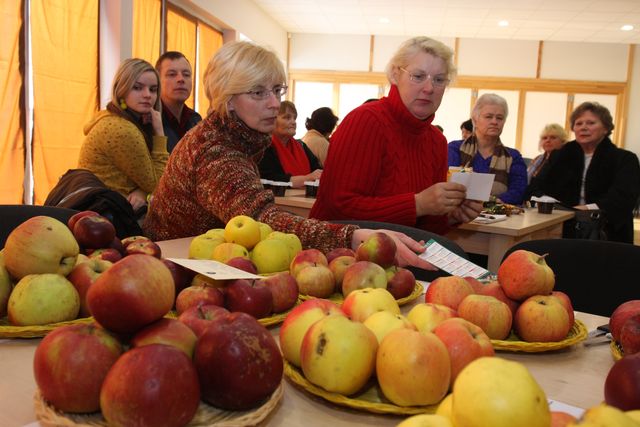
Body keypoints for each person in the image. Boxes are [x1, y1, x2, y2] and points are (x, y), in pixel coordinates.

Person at [143, 41, 433, 270]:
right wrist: (353, 237)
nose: (274, 104)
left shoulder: (234, 136)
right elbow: (261, 221)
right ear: (228, 99)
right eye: (258, 93)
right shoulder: (214, 150)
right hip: (174, 269)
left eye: (277, 90)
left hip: (206, 260)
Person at [309, 36, 482, 235]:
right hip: (339, 252)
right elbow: (338, 207)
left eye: (439, 79)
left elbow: (425, 232)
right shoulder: (365, 121)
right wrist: (417, 204)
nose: (429, 88)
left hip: (400, 256)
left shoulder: (437, 141)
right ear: (394, 75)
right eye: (418, 76)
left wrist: (450, 216)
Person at [527, 102, 640, 243]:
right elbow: (536, 187)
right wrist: (552, 204)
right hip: (561, 225)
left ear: (606, 128)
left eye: (591, 123)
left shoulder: (625, 159)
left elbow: (623, 197)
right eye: (578, 123)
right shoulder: (560, 155)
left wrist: (583, 209)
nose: (583, 128)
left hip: (607, 230)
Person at [78, 58, 168, 214]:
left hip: (103, 212)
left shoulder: (112, 118)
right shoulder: (121, 129)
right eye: (137, 88)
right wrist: (159, 133)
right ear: (121, 90)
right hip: (108, 218)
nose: (147, 95)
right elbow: (159, 185)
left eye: (153, 89)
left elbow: (148, 182)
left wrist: (142, 191)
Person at [448, 93, 527, 205]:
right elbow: (448, 184)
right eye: (488, 116)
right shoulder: (455, 148)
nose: (494, 122)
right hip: (458, 214)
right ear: (475, 120)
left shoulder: (513, 156)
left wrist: (491, 202)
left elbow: (518, 191)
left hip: (499, 217)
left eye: (499, 118)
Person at [258, 101, 322, 187]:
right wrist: (307, 178)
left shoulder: (302, 146)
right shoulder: (263, 147)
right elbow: (269, 180)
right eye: (287, 118)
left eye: (294, 118)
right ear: (272, 121)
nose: (293, 122)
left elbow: (317, 170)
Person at [155, 51, 202, 152]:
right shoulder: (151, 119)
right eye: (172, 74)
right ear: (157, 80)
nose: (181, 79)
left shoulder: (196, 120)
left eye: (186, 74)